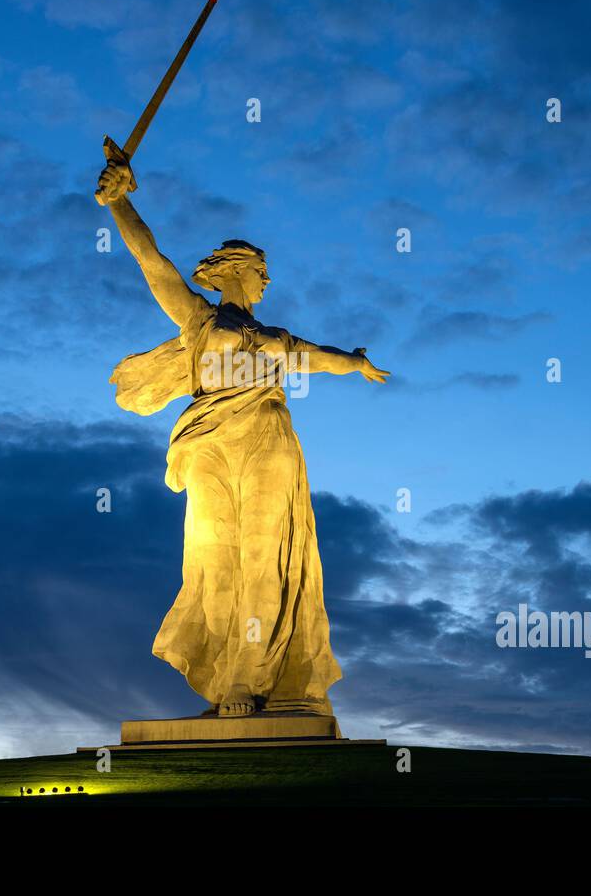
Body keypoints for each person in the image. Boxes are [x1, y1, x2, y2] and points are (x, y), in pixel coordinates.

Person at [96, 154, 389, 717]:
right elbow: (152, 262)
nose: (268, 279)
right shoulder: (201, 321)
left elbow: (317, 357)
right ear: (235, 269)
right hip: (209, 439)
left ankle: (247, 681)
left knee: (262, 556)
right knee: (214, 560)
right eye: (261, 269)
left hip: (268, 438)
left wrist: (355, 363)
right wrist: (120, 201)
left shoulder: (276, 335)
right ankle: (228, 666)